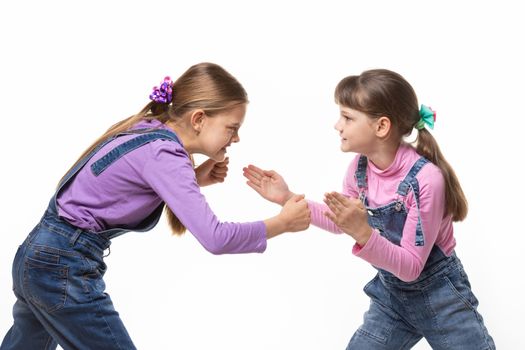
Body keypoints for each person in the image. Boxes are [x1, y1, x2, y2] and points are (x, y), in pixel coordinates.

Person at [1, 62, 310, 350]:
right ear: (199, 119)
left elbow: (117, 185)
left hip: (37, 256)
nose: (237, 137)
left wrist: (192, 178)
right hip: (62, 267)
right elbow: (215, 238)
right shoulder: (166, 156)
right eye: (232, 127)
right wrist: (282, 222)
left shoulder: (147, 129)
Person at [243, 69, 495, 349]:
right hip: (392, 298)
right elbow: (341, 221)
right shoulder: (359, 170)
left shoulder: (426, 181)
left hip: (441, 298)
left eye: (348, 117)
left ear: (381, 127)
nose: (337, 125)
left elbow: (411, 267)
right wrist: (287, 197)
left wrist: (363, 233)